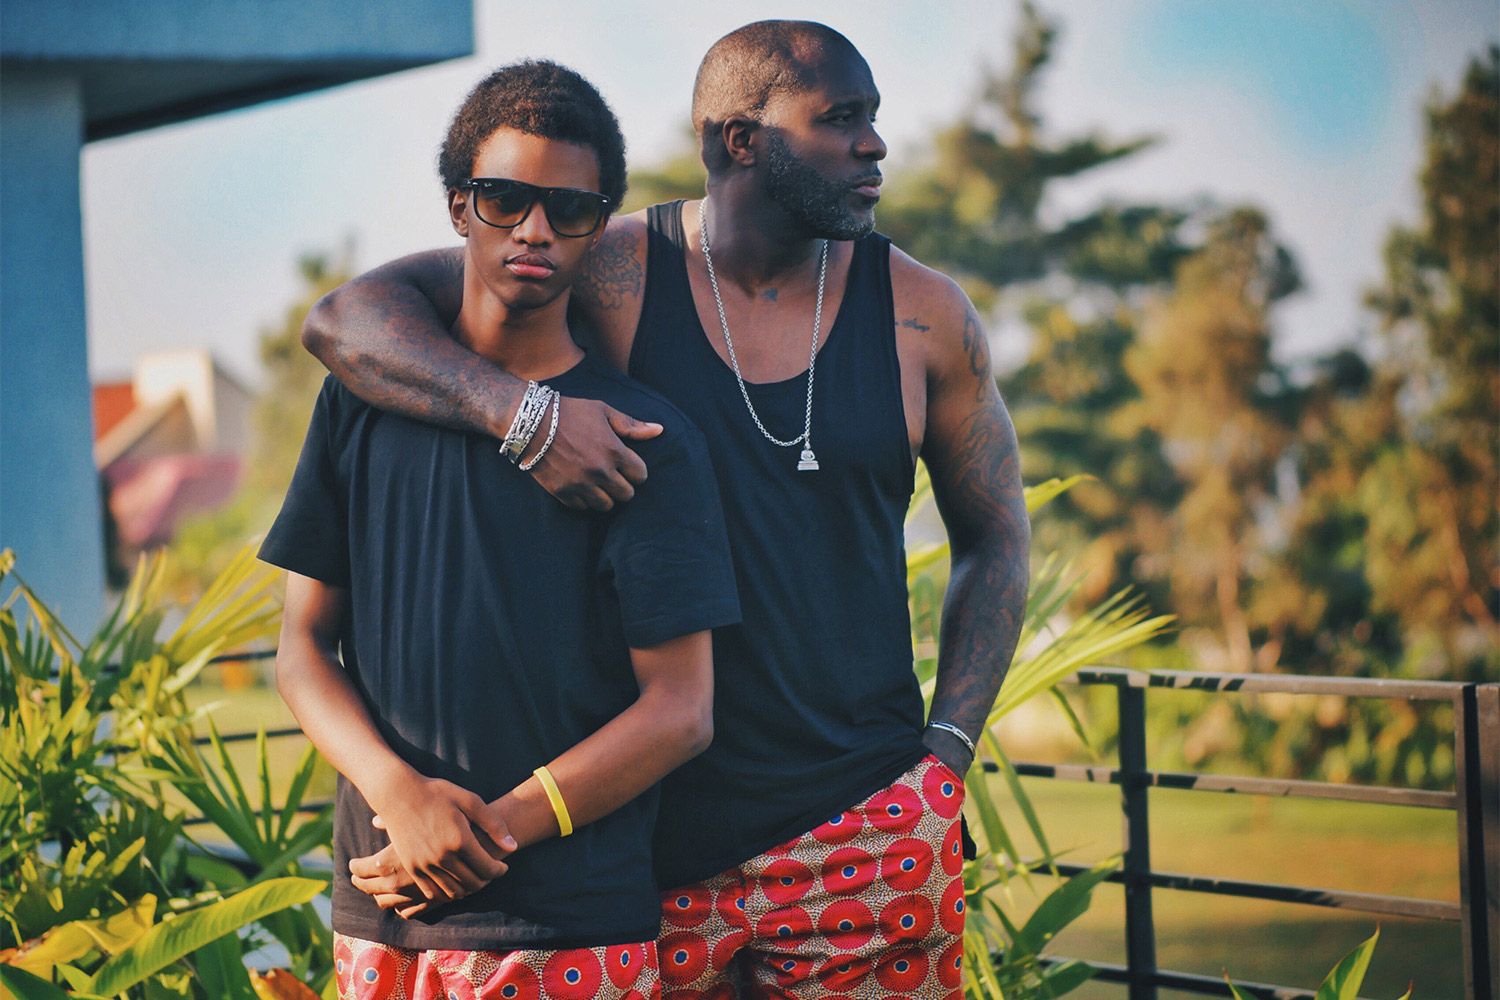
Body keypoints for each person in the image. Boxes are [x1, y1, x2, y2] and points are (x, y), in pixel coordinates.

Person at [307, 21, 1030, 1000]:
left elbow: (995, 536)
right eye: (839, 119)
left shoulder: (924, 315)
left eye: (873, 118)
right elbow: (346, 321)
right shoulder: (607, 265)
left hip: (863, 828)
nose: (874, 145)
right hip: (640, 855)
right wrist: (525, 418)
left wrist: (945, 759)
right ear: (740, 139)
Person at [263, 60, 740, 1000]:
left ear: (599, 226)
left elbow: (681, 711)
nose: (534, 230)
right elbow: (302, 649)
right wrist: (400, 799)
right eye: (505, 199)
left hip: (567, 930)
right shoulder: (361, 401)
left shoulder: (644, 440)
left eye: (570, 209)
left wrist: (491, 831)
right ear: (459, 207)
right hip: (381, 911)